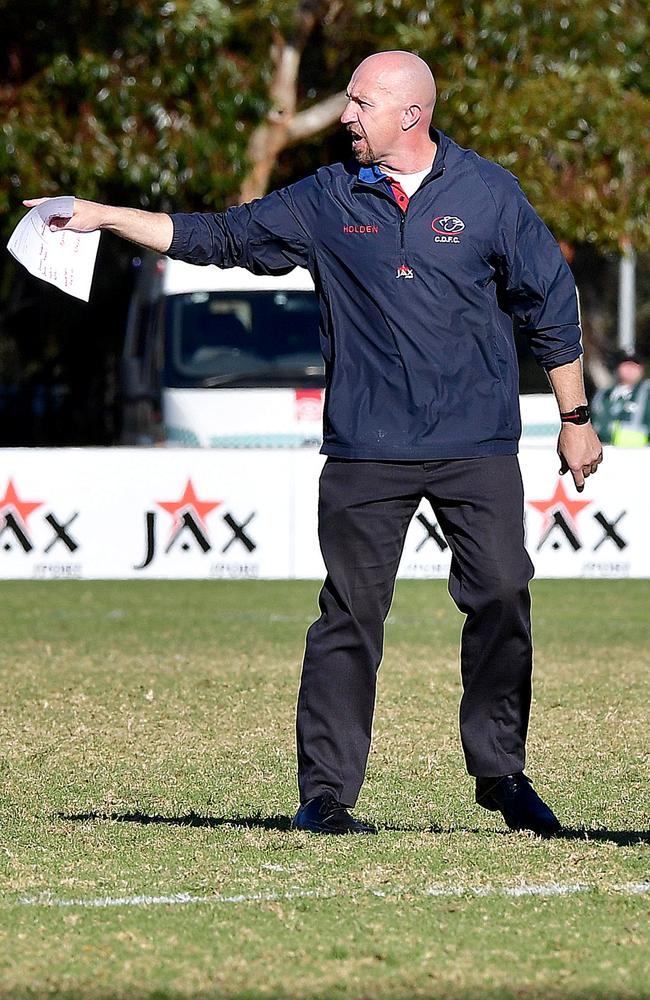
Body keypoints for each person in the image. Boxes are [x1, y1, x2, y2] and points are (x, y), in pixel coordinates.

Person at [26, 51, 603, 838]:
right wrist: (109, 216)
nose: (344, 116)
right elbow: (220, 235)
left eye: (359, 103)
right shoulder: (329, 199)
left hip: (477, 442)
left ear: (411, 113)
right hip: (366, 447)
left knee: (503, 593)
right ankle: (325, 795)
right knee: (350, 616)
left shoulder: (490, 194)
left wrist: (575, 419)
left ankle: (500, 774)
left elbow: (550, 303)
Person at [591, 352, 650, 447]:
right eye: (626, 364)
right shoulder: (603, 394)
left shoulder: (646, 393)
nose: (630, 368)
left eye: (635, 365)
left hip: (639, 452)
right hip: (604, 448)